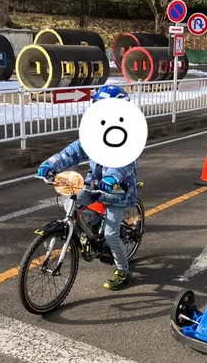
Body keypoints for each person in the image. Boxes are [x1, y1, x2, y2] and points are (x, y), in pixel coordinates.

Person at [37, 84, 137, 291]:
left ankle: (123, 271)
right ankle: (91, 228)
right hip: (94, 183)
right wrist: (50, 164)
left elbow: (125, 164)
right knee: (70, 203)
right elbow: (72, 152)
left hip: (118, 190)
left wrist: (111, 178)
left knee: (110, 234)